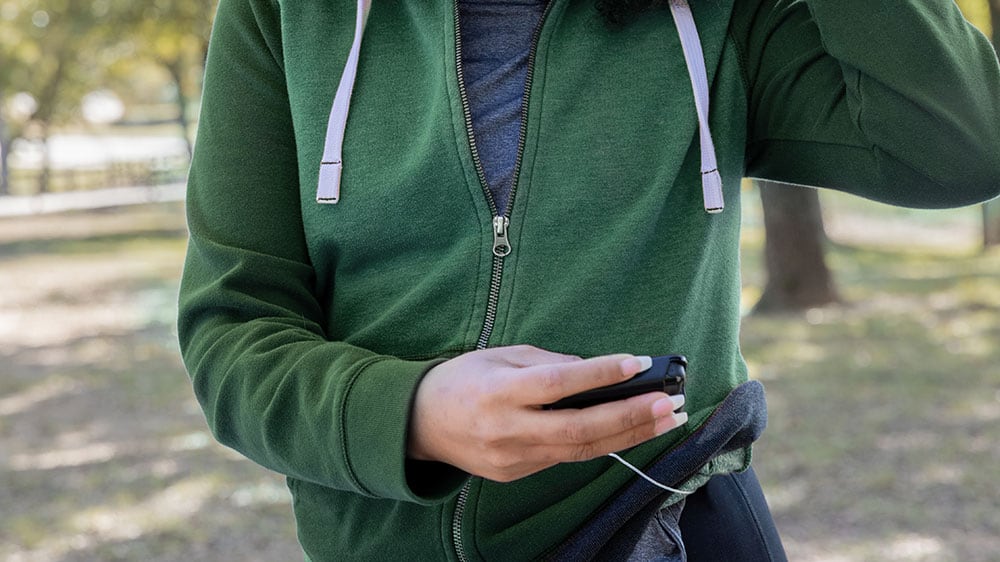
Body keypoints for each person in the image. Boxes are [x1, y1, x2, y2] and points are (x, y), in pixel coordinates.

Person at [177, 0, 1000, 560]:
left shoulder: (723, 18)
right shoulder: (285, 14)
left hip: (664, 526)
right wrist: (415, 416)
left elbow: (967, 143)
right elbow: (234, 332)